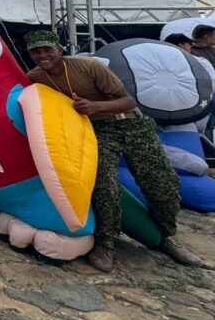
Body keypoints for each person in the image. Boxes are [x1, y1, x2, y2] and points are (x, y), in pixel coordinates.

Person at [24, 30, 202, 271]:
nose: (42, 55)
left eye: (48, 49)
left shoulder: (89, 67)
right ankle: (105, 241)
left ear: (60, 49)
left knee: (163, 185)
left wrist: (96, 106)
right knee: (103, 187)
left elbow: (128, 101)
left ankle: (164, 237)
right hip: (96, 131)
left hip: (131, 123)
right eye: (36, 51)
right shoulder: (35, 78)